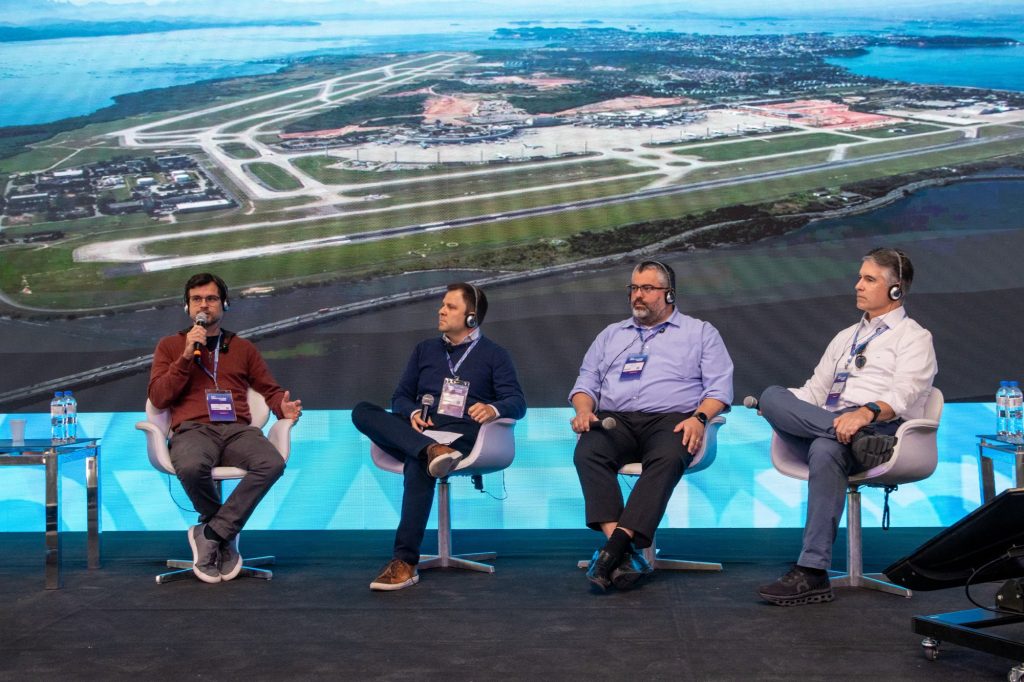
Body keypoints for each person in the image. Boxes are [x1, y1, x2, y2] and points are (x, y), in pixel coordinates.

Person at [755, 248, 937, 606]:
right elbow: (813, 392)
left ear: (896, 289)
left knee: (826, 449)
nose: (858, 285)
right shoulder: (845, 338)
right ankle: (849, 437)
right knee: (771, 395)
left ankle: (812, 572)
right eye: (859, 277)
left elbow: (905, 395)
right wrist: (780, 407)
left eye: (869, 279)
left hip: (883, 429)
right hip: (835, 425)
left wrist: (864, 415)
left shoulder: (914, 337)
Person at [570, 260, 734, 592]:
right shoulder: (612, 335)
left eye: (647, 289)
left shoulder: (699, 332)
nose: (637, 296)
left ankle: (612, 551)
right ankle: (625, 552)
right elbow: (585, 383)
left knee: (669, 457)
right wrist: (584, 410)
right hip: (617, 420)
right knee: (587, 452)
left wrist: (699, 418)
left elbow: (719, 389)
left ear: (669, 293)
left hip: (674, 420)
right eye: (633, 288)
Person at [352, 283, 526, 591]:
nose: (441, 311)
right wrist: (411, 413)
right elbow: (400, 397)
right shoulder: (425, 350)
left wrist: (494, 408)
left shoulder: (495, 355)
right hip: (421, 432)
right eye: (442, 305)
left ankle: (404, 562)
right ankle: (430, 449)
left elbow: (517, 402)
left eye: (450, 306)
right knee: (362, 411)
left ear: (471, 318)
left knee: (418, 462)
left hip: (462, 437)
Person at [148, 273, 302, 584]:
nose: (204, 304)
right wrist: (186, 356)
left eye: (211, 298)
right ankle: (224, 533)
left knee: (271, 462)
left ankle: (212, 533)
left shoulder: (242, 348)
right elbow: (159, 396)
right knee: (191, 466)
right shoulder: (170, 346)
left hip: (237, 430)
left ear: (224, 304)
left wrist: (281, 407)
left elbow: (269, 389)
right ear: (187, 307)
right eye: (196, 299)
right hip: (193, 429)